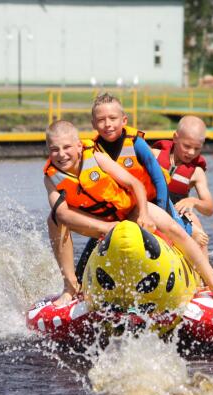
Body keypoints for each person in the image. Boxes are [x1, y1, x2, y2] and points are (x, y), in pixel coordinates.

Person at [43, 120, 213, 308]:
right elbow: (63, 214)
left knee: (175, 229)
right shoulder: (51, 177)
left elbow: (135, 184)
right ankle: (70, 287)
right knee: (54, 220)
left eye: (66, 147)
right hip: (99, 223)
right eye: (54, 149)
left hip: (129, 211)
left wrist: (144, 214)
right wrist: (106, 227)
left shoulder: (96, 157)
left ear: (78, 145)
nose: (61, 154)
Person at [71, 93, 202, 281]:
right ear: (93, 124)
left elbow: (159, 180)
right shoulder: (92, 152)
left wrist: (158, 211)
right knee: (94, 244)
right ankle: (79, 283)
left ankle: (198, 270)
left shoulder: (136, 144)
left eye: (113, 118)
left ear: (124, 120)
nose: (107, 124)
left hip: (154, 203)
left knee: (178, 233)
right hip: (121, 211)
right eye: (101, 120)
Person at [152, 115, 213, 255]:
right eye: (186, 146)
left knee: (196, 223)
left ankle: (205, 275)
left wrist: (193, 201)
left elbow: (209, 208)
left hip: (177, 213)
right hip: (152, 206)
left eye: (197, 148)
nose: (191, 152)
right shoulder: (154, 155)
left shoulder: (196, 173)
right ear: (175, 137)